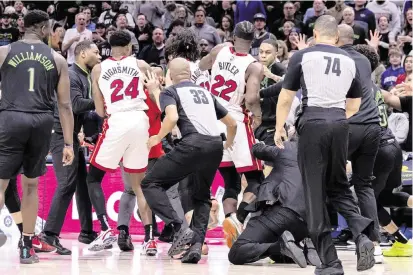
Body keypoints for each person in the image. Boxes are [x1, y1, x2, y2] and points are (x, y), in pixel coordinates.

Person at [274, 15, 375, 274]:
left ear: (315, 35)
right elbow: (354, 105)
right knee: (339, 185)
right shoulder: (350, 61)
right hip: (341, 123)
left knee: (314, 194)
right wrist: (335, 120)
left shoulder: (303, 56)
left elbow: (285, 99)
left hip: (313, 121)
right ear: (337, 38)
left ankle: (331, 263)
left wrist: (278, 128)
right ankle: (363, 236)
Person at [141, 57, 237, 264]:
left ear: (170, 75)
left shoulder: (171, 91)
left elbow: (172, 117)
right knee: (201, 197)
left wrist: (157, 137)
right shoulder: (205, 93)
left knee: (150, 183)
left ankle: (179, 228)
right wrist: (228, 143)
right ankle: (195, 246)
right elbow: (232, 123)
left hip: (192, 144)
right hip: (215, 147)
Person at [0, 10, 74, 264]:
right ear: (44, 29)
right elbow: (65, 105)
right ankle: (26, 246)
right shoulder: (57, 59)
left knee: (0, 185)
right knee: (30, 186)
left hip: (10, 118)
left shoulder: (4, 52)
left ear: (24, 27)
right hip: (41, 121)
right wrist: (68, 143)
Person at [199, 21, 264, 247]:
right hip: (235, 120)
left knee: (230, 181)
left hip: (213, 119)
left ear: (232, 36)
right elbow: (252, 98)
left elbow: (201, 65)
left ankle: (229, 221)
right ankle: (239, 218)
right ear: (254, 40)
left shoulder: (219, 51)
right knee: (257, 182)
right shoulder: (254, 65)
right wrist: (258, 115)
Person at [87, 30, 151, 251]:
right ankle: (149, 239)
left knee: (93, 178)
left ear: (109, 47)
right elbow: (154, 91)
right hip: (140, 121)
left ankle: (105, 229)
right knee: (139, 185)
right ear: (129, 48)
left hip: (117, 120)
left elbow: (98, 110)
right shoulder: (141, 65)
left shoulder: (98, 69)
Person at [39, 41, 101, 255]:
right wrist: (99, 101)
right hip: (60, 133)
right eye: (96, 52)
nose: (100, 56)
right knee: (66, 184)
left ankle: (86, 231)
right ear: (83, 54)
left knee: (82, 183)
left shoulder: (83, 75)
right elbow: (75, 105)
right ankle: (48, 234)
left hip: (70, 134)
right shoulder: (73, 75)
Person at [353, 44, 413, 258]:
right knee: (385, 197)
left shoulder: (356, 86)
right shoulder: (372, 85)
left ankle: (374, 247)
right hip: (393, 146)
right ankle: (401, 240)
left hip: (378, 149)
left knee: (363, 198)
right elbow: (393, 100)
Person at [228, 135, 320, 268]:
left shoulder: (286, 148)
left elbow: (257, 150)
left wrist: (258, 143)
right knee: (277, 256)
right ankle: (306, 248)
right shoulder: (322, 156)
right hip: (308, 223)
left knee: (237, 252)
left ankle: (281, 246)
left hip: (281, 211)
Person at [335, 24, 382, 261]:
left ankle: (317, 239)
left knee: (330, 182)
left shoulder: (333, 58)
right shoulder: (364, 60)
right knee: (364, 185)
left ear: (334, 38)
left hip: (348, 125)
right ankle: (375, 243)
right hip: (373, 127)